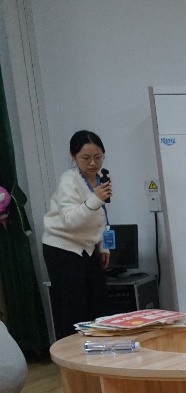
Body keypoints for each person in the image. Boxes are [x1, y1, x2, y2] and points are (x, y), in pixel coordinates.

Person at [42, 130, 113, 338]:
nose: (93, 163)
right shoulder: (69, 181)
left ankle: (99, 350)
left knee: (98, 304)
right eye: (86, 158)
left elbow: (101, 216)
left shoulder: (101, 179)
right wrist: (95, 199)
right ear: (73, 156)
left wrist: (104, 246)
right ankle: (71, 354)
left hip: (87, 247)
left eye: (98, 157)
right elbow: (70, 220)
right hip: (63, 248)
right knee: (73, 309)